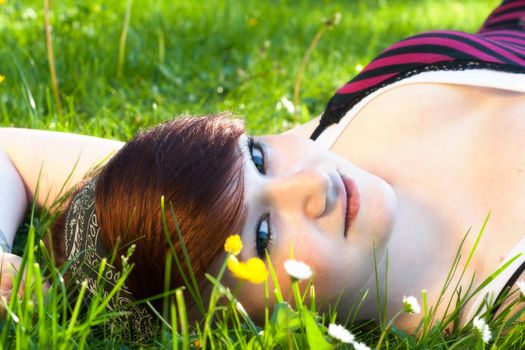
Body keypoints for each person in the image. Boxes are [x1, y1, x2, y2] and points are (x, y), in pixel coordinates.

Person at [1, 0, 525, 340]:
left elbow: (11, 152)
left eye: (255, 156)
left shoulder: (316, 154)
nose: (309, 183)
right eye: (266, 233)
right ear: (242, 321)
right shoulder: (502, 303)